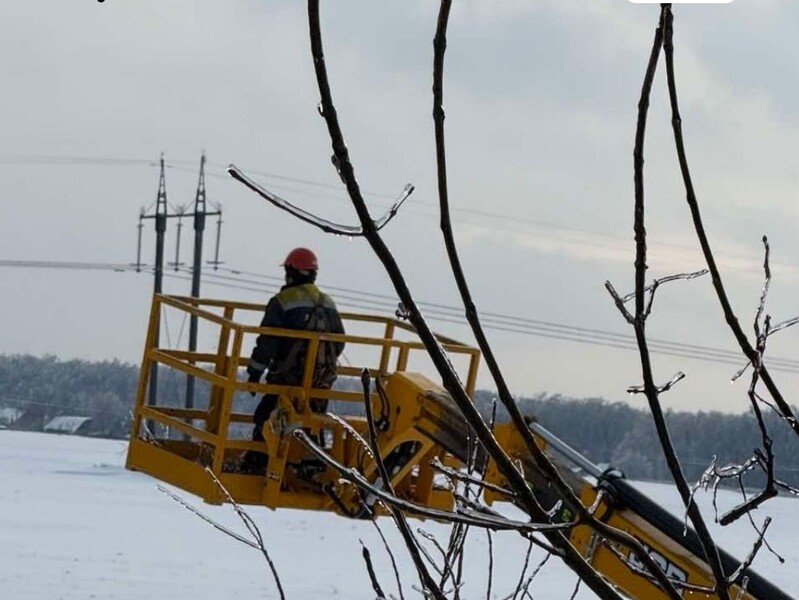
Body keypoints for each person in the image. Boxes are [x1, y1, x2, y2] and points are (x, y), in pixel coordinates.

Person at [240, 247, 345, 474]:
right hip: (319, 382)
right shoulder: (328, 303)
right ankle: (312, 463)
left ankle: (257, 462)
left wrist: (255, 373)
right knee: (314, 420)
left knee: (266, 416)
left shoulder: (282, 301)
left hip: (287, 379)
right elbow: (339, 343)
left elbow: (268, 341)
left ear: (290, 272)